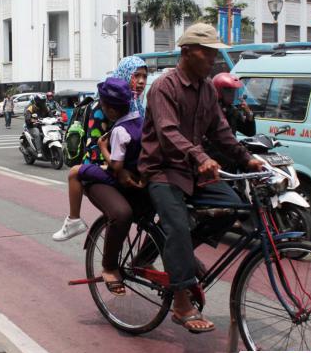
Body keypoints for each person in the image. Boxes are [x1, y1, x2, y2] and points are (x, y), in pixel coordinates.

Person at [139, 23, 263, 334]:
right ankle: (181, 302)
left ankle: (177, 253)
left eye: (213, 52)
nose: (212, 58)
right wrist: (201, 156)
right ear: (187, 52)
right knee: (178, 225)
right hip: (162, 169)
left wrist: (247, 158)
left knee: (234, 208)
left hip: (193, 171)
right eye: (207, 52)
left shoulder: (207, 88)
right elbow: (168, 134)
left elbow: (220, 131)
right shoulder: (163, 87)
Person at [53, 78, 144, 294]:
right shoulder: (132, 116)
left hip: (117, 169)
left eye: (143, 75)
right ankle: (74, 221)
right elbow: (93, 149)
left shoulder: (130, 120)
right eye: (136, 75)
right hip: (108, 167)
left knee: (75, 172)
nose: (140, 81)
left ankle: (73, 219)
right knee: (78, 172)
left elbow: (117, 162)